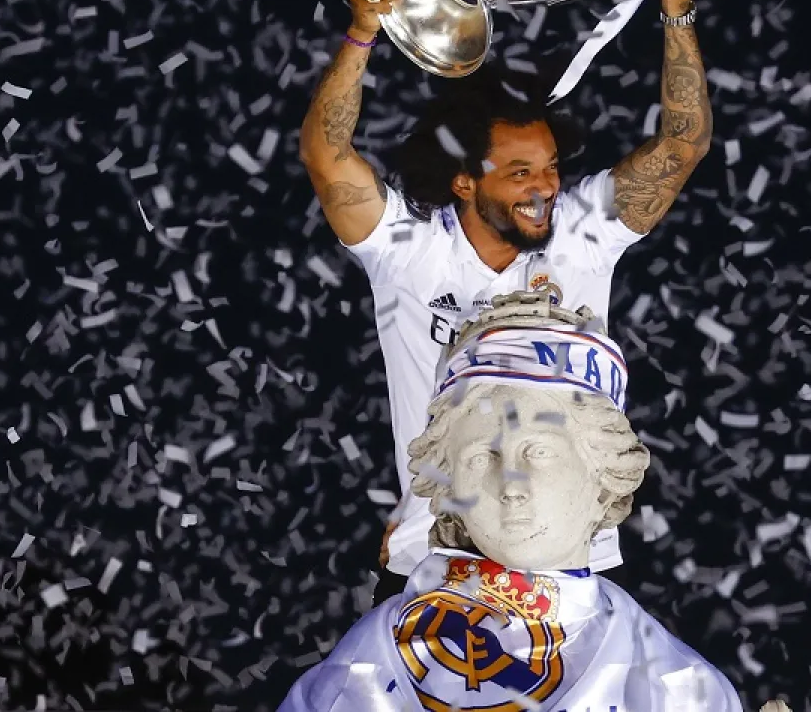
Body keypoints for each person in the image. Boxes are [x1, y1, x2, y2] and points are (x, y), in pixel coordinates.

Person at [297, 0, 732, 599]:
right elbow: (327, 155)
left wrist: (676, 9)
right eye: (521, 172)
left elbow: (684, 143)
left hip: (571, 557)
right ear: (465, 183)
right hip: (438, 557)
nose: (544, 187)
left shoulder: (582, 233)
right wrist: (362, 32)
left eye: (551, 167)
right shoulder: (409, 249)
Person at [276, 294, 747, 712]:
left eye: (539, 451)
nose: (511, 484)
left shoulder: (680, 689)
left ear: (605, 477)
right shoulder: (361, 669)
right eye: (482, 455)